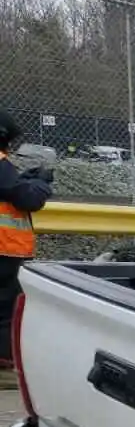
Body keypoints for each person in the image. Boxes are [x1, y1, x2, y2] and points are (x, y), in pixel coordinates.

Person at [0, 111, 53, 368]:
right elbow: (27, 198)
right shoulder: (0, 165)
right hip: (5, 249)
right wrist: (41, 183)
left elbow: (11, 189)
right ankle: (5, 362)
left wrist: (26, 180)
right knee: (6, 310)